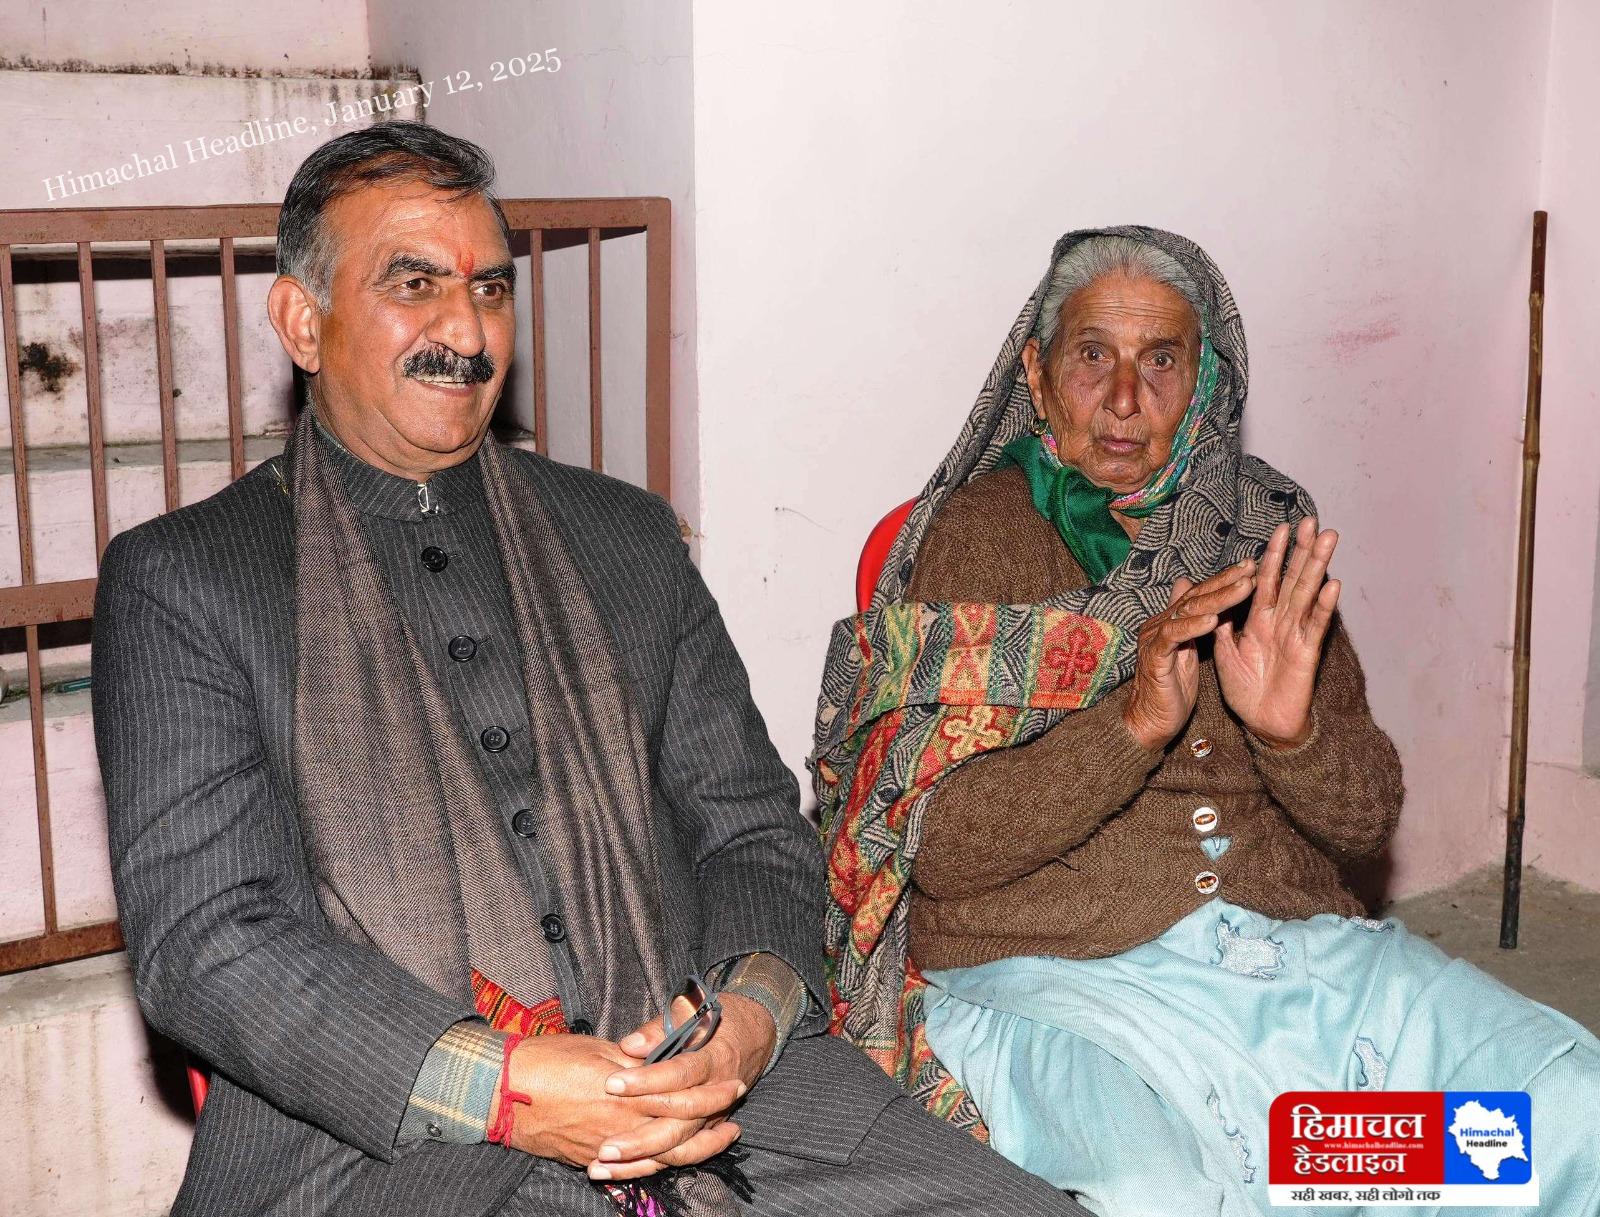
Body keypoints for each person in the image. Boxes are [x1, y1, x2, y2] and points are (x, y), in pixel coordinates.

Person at [92, 122, 1102, 1217]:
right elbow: (211, 942)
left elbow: (752, 833)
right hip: (387, 1139)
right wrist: (508, 1087)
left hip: (717, 1088)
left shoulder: (624, 539)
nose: (465, 330)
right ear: (302, 320)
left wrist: (746, 1023)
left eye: (488, 288)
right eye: (414, 284)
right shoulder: (189, 579)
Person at [811, 228, 1600, 1217]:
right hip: (1065, 989)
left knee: (1554, 1116)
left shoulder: (1260, 527)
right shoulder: (979, 534)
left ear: (1204, 381)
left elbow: (1365, 820)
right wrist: (1133, 725)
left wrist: (1290, 734)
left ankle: (1328, 1163)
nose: (1124, 398)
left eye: (1161, 360)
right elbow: (941, 847)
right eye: (1091, 355)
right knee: (1166, 1192)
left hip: (1291, 976)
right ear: (1038, 377)